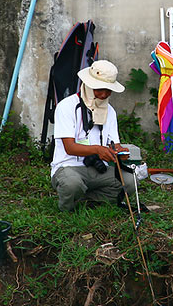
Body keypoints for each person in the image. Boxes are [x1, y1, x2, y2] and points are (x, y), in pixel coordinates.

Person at [50, 60, 136, 211]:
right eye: (99, 89)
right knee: (72, 184)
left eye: (108, 90)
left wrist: (119, 152)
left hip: (97, 167)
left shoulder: (110, 111)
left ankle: (87, 199)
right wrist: (97, 150)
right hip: (68, 167)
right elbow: (70, 148)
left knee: (130, 181)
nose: (104, 95)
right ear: (89, 85)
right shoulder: (66, 107)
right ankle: (67, 210)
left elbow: (114, 143)